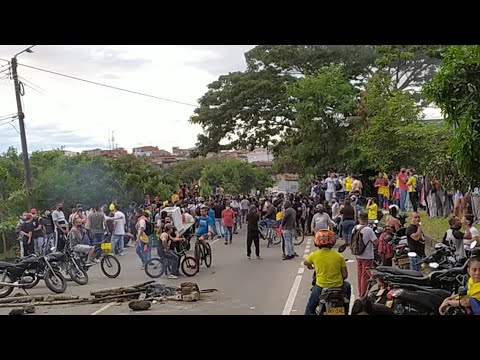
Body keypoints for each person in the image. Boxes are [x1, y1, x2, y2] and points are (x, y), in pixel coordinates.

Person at [304, 229, 351, 315]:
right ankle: (346, 309)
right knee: (347, 285)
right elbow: (345, 275)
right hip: (339, 287)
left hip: (320, 287)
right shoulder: (339, 256)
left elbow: (305, 262)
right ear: (332, 241)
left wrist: (310, 266)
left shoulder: (314, 255)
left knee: (309, 309)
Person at [354, 213, 378, 298]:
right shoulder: (368, 229)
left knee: (359, 274)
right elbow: (375, 242)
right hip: (367, 255)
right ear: (367, 219)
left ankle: (360, 291)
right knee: (365, 275)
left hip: (358, 254)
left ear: (359, 218)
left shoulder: (355, 228)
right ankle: (363, 294)